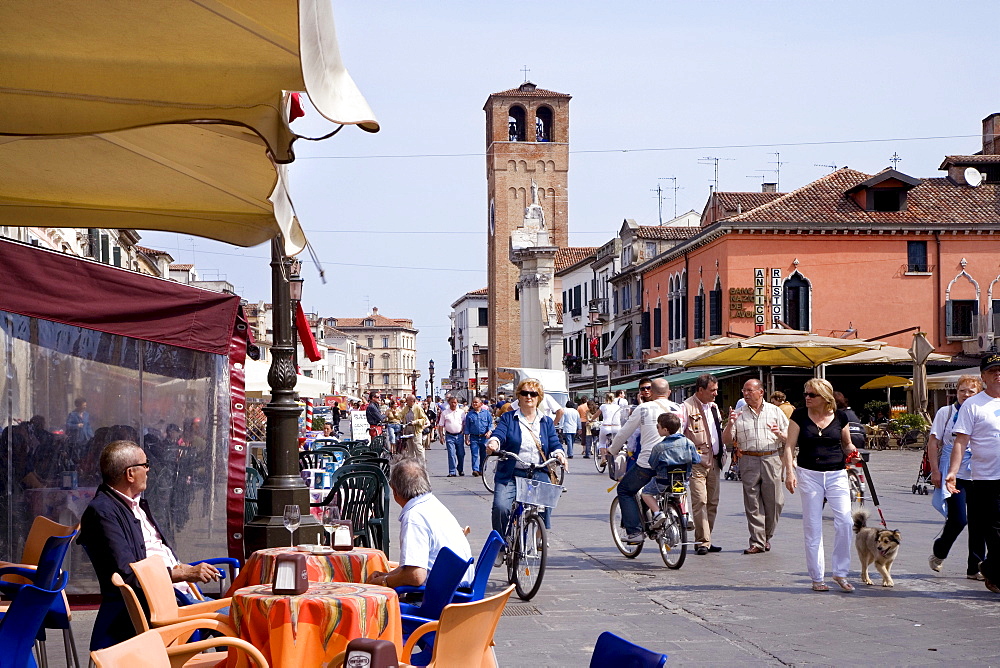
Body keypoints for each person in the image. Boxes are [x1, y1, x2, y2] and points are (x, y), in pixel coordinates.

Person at [78, 440, 221, 650]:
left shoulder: (133, 504)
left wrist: (182, 571)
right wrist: (183, 574)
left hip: (179, 594)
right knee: (241, 619)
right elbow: (127, 574)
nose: (148, 470)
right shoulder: (103, 512)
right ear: (130, 474)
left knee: (241, 614)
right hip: (163, 604)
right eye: (145, 465)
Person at [782, 378, 859, 593]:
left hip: (836, 473)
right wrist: (790, 472)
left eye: (811, 395)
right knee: (812, 525)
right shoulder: (798, 415)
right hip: (808, 474)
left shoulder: (840, 416)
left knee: (844, 520)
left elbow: (846, 443)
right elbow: (789, 446)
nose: (806, 398)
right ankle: (817, 577)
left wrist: (854, 452)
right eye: (805, 393)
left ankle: (840, 572)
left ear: (825, 398)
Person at [366, 457, 472, 588]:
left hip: (441, 597)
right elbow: (413, 565)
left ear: (395, 491)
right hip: (458, 589)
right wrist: (388, 575)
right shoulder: (432, 504)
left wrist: (385, 582)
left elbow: (416, 576)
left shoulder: (414, 517)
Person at [946, 354, 1000, 595]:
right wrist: (952, 472)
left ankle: (990, 567)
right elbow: (961, 441)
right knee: (995, 532)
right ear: (984, 377)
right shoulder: (973, 404)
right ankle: (992, 570)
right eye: (992, 371)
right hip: (987, 479)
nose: (998, 374)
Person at [486, 378, 568, 537]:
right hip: (511, 472)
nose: (528, 396)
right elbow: (499, 434)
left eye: (533, 394)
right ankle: (501, 544)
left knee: (546, 503)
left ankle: (539, 536)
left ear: (539, 397)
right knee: (500, 507)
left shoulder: (546, 422)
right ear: (519, 396)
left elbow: (554, 443)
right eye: (524, 393)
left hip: (537, 471)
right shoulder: (508, 418)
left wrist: (559, 454)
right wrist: (493, 444)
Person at [609, 378, 681, 544]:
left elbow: (624, 433)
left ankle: (635, 532)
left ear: (652, 393)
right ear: (669, 392)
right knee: (674, 488)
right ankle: (682, 514)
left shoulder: (643, 408)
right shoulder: (679, 408)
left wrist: (612, 451)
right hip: (676, 462)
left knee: (625, 490)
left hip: (649, 463)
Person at [928, 374, 986, 579]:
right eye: (963, 390)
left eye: (971, 391)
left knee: (979, 522)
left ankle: (975, 567)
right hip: (953, 473)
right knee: (959, 519)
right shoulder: (946, 412)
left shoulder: (982, 411)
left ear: (978, 393)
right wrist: (935, 471)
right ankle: (940, 549)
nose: (966, 394)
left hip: (979, 473)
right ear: (957, 392)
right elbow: (933, 443)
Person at [724, 379, 788, 554]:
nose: (745, 394)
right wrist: (730, 423)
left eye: (749, 390)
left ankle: (767, 535)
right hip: (749, 459)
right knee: (752, 502)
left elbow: (790, 438)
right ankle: (757, 542)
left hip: (771, 458)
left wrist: (779, 434)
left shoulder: (775, 411)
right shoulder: (738, 413)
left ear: (761, 392)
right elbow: (727, 440)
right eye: (744, 391)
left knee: (775, 501)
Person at [681, 374, 726, 555]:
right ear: (700, 390)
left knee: (713, 502)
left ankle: (706, 538)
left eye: (716, 389)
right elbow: (679, 433)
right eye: (712, 390)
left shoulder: (714, 407)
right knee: (700, 500)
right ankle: (702, 541)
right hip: (697, 461)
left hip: (715, 461)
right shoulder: (685, 407)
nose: (716, 394)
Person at [640, 412, 700, 527]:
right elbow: (696, 459)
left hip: (663, 481)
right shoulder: (688, 443)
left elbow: (653, 464)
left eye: (658, 426)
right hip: (682, 479)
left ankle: (658, 513)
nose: (657, 428)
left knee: (646, 493)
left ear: (665, 430)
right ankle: (686, 514)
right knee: (682, 492)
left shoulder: (659, 447)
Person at [437, 396, 467, 477]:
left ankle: (460, 469)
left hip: (459, 435)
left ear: (457, 403)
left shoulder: (461, 412)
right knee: (451, 453)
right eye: (452, 402)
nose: (453, 404)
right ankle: (452, 471)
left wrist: (466, 435)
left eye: (455, 402)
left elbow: (464, 424)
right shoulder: (445, 413)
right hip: (449, 436)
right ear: (449, 403)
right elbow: (440, 425)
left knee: (461, 454)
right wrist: (441, 436)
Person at [464, 395, 493, 476]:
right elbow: (467, 427)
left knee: (484, 454)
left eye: (476, 402)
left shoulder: (486, 413)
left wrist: (489, 432)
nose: (474, 404)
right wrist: (466, 438)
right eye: (473, 402)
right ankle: (475, 470)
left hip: (484, 437)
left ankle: (482, 469)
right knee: (474, 454)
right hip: (474, 437)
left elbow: (491, 424)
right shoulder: (470, 414)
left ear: (480, 403)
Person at [399, 394, 429, 460]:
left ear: (412, 401)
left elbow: (424, 419)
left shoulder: (418, 408)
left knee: (418, 448)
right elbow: (400, 415)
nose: (406, 402)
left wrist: (415, 422)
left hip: (416, 430)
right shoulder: (406, 408)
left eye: (407, 400)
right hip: (408, 430)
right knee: (410, 449)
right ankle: (412, 465)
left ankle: (421, 464)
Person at [598, 393, 624, 459]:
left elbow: (596, 414)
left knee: (602, 442)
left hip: (606, 426)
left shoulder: (603, 406)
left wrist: (591, 420)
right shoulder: (618, 407)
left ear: (605, 398)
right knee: (616, 442)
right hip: (617, 427)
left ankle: (603, 458)